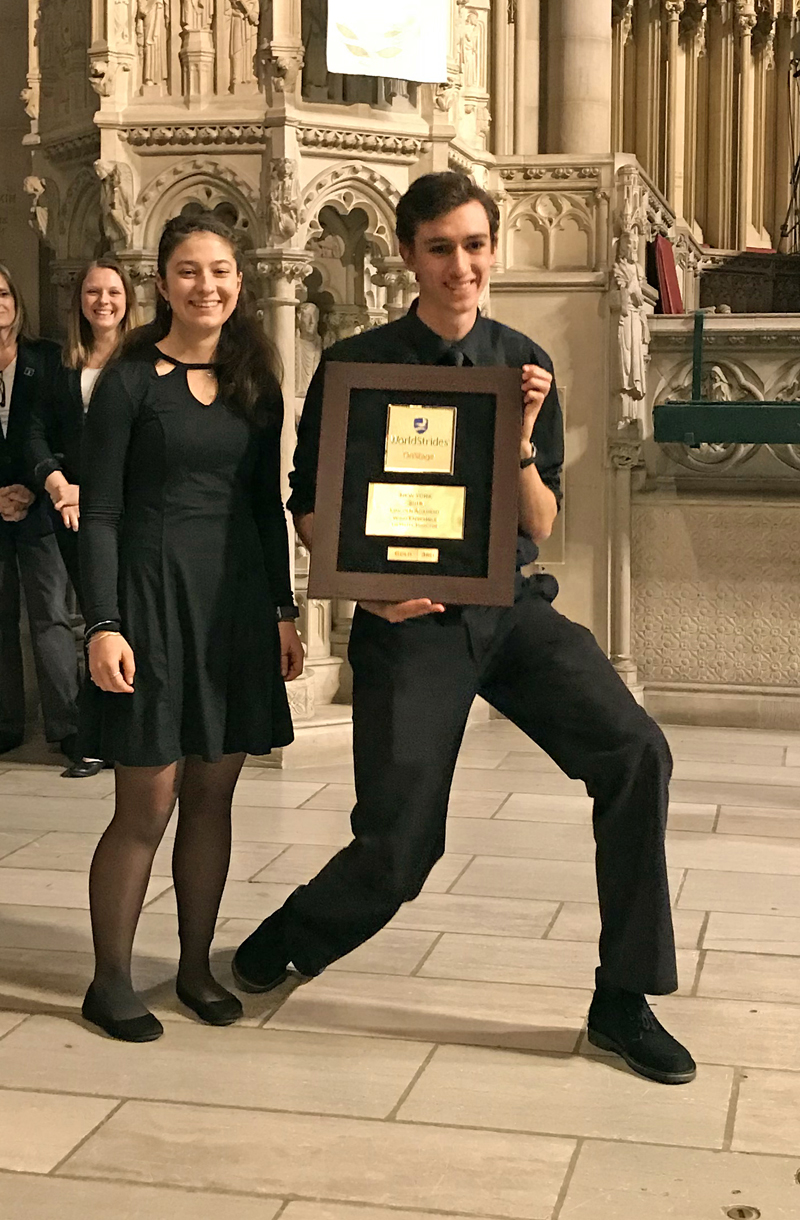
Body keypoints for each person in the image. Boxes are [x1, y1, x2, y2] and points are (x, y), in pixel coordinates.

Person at [233, 172, 697, 1087]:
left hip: (510, 612)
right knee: (401, 848)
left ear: (495, 250)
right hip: (408, 624)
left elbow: (539, 524)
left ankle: (622, 999)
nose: (461, 265)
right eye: (440, 247)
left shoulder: (524, 363)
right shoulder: (356, 365)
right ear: (407, 254)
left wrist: (522, 432)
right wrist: (363, 594)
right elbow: (310, 506)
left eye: (475, 245)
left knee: (637, 752)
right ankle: (295, 931)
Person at [78, 213, 303, 1043]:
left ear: (240, 279)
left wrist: (282, 609)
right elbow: (98, 510)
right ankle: (109, 981)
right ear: (161, 281)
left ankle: (197, 966)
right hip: (149, 599)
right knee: (148, 801)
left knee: (213, 793)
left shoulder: (256, 376)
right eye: (187, 271)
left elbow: (263, 508)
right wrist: (102, 623)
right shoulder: (132, 379)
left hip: (234, 609)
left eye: (219, 271)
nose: (206, 286)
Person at [26, 257, 139, 778]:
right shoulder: (59, 364)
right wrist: (59, 486)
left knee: (130, 621)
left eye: (112, 291)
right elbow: (33, 432)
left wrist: (90, 493)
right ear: (79, 301)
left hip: (131, 514)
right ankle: (91, 740)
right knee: (91, 622)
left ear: (129, 298)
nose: (103, 301)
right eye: (93, 292)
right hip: (72, 514)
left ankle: (137, 735)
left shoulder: (144, 359)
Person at [0, 262, 80, 760]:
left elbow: (61, 431)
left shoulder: (46, 360)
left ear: (16, 302)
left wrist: (31, 488)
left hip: (41, 506)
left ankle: (69, 727)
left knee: (52, 616)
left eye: (4, 293)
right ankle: (6, 724)